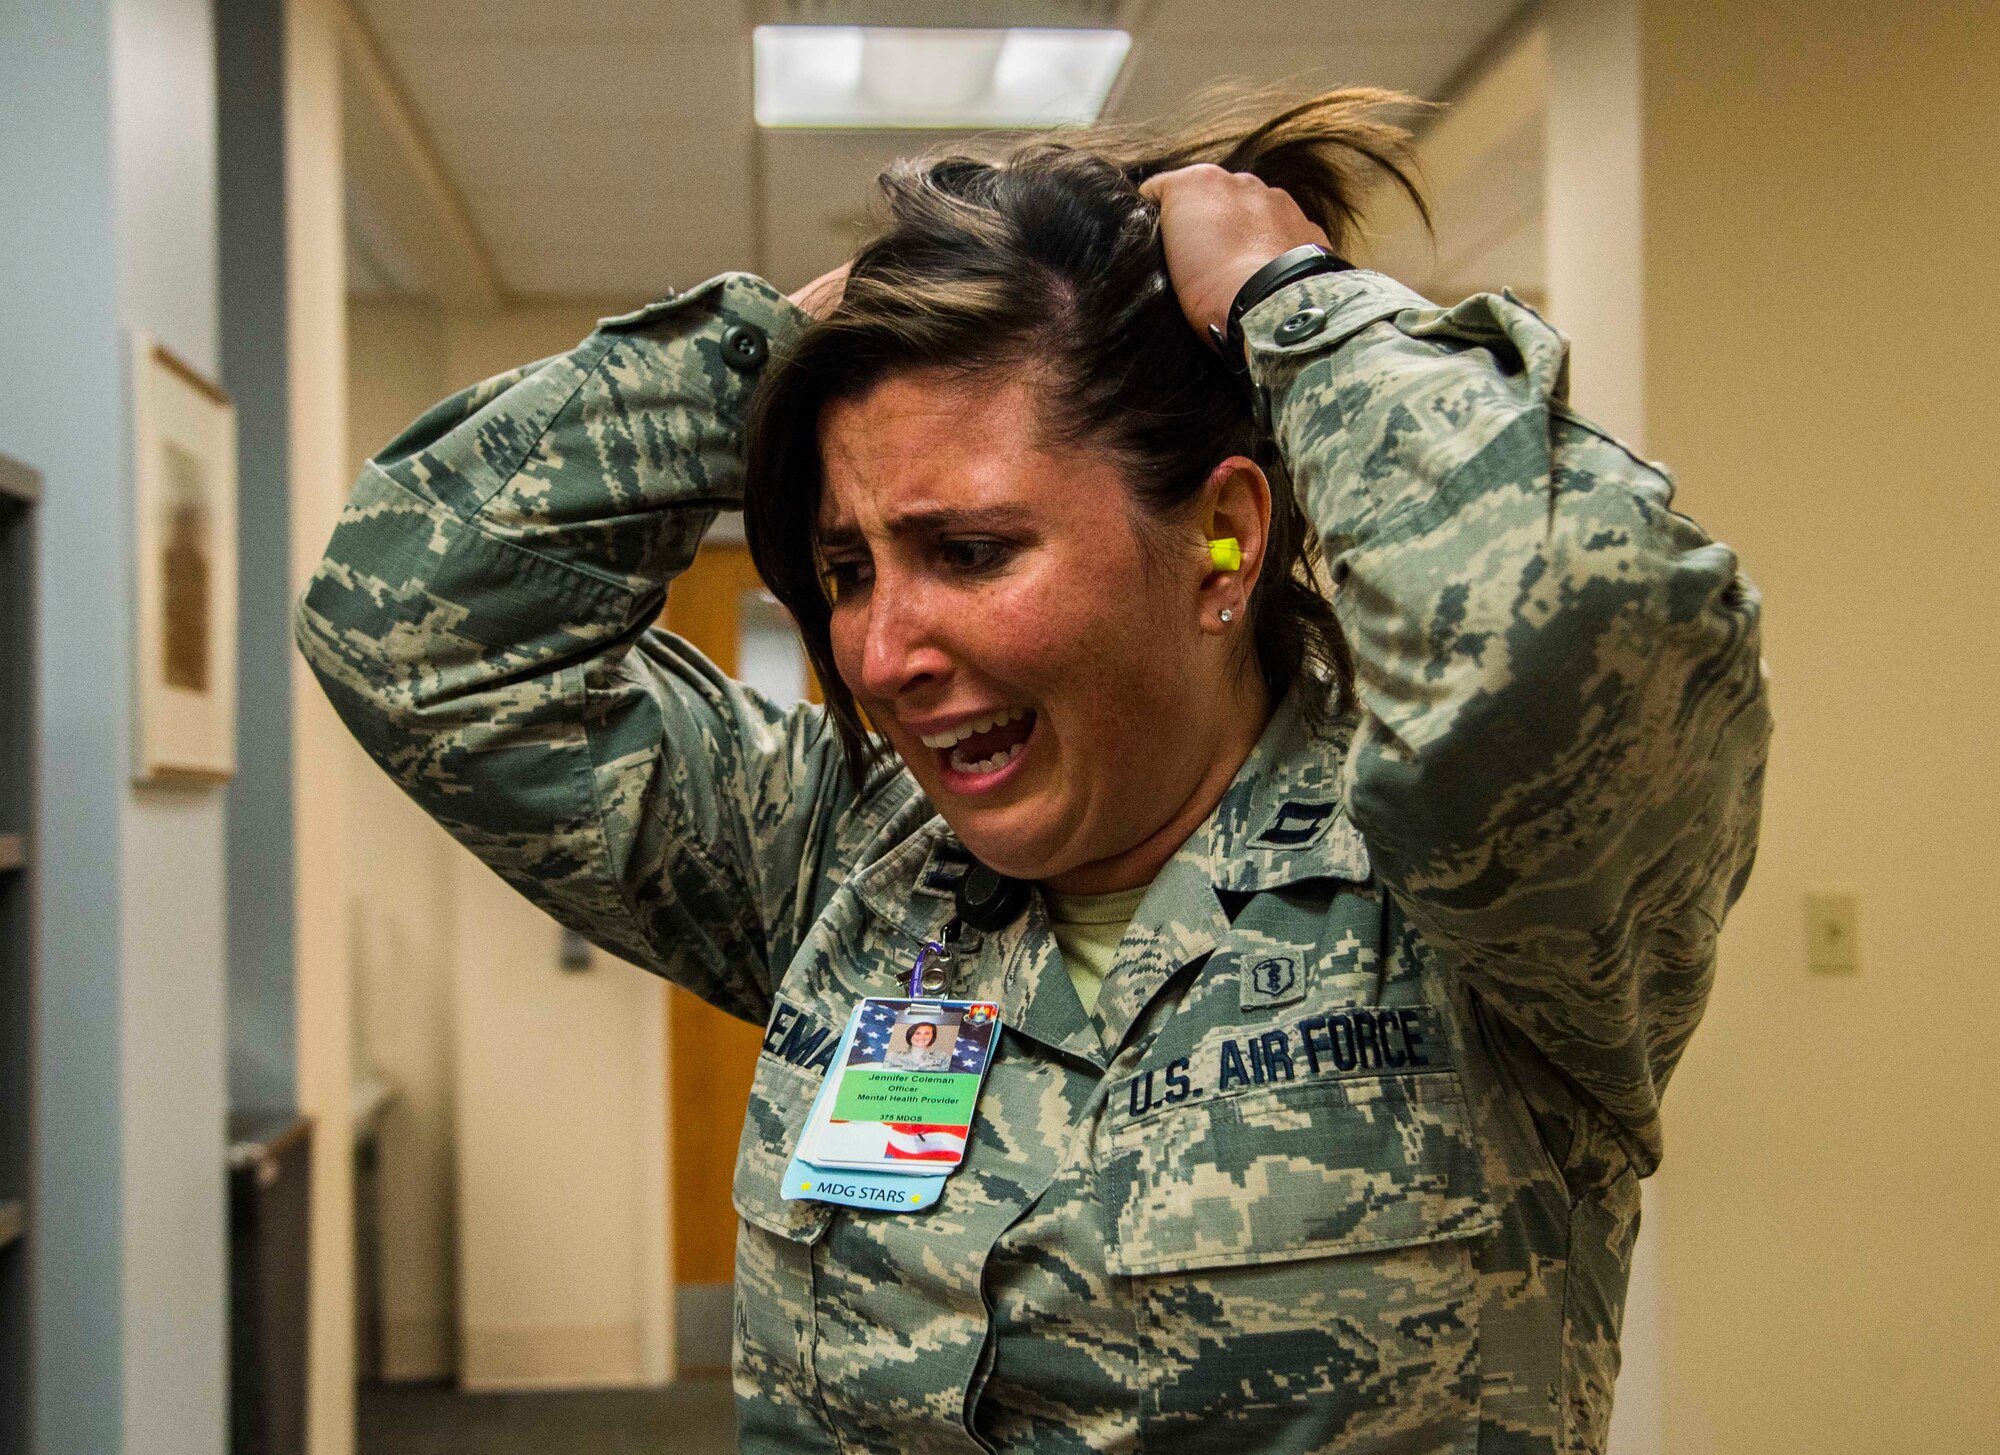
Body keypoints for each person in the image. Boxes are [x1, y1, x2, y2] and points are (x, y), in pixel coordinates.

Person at [298, 87, 1768, 1455]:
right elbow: (406, 626)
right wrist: (771, 349)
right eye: (848, 567)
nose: (878, 650)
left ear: (1224, 542)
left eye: (970, 551)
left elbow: (1568, 609)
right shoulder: (846, 865)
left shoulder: (1487, 896)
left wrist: (1297, 310)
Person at [885, 1019, 953, 1072]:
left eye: (927, 1033)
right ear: (910, 1035)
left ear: (932, 1036)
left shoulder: (943, 1058)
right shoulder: (892, 1057)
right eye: (917, 1033)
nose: (921, 1037)